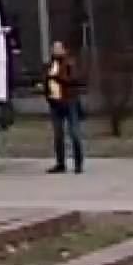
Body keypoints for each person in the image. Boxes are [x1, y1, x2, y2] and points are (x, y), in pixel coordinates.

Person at [43, 41, 84, 174]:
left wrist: (58, 78)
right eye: (54, 48)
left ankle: (78, 163)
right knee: (58, 135)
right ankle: (60, 163)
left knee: (74, 133)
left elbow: (74, 80)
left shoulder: (69, 63)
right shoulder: (50, 64)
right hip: (55, 103)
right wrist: (47, 95)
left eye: (58, 48)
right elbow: (46, 80)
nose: (56, 51)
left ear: (64, 50)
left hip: (69, 101)